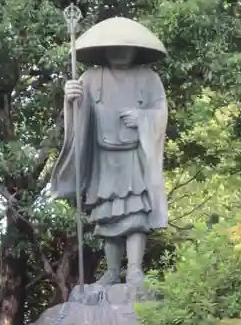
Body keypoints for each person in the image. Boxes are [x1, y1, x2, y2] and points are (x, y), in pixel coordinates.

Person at [51, 16, 168, 286]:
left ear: (136, 49)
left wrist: (142, 118)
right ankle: (113, 270)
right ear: (103, 49)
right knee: (108, 212)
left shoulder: (149, 79)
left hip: (134, 155)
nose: (120, 52)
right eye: (114, 47)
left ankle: (136, 269)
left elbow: (160, 113)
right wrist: (71, 99)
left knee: (136, 210)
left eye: (125, 47)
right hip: (103, 156)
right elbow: (80, 115)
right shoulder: (90, 78)